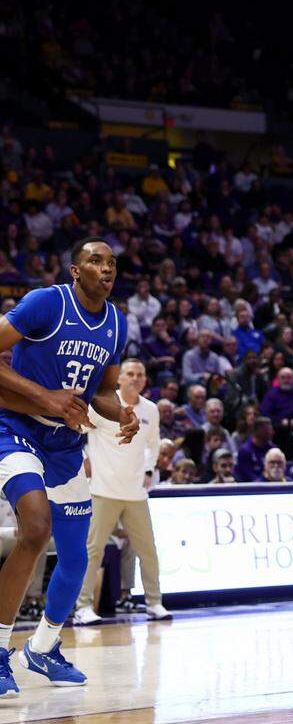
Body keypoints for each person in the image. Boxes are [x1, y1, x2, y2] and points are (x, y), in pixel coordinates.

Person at [0, 238, 140, 695]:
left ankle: (41, 649)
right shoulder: (47, 303)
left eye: (112, 263)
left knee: (77, 555)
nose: (106, 268)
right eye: (95, 261)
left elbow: (100, 391)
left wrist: (122, 411)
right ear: (75, 271)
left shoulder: (116, 323)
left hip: (64, 444)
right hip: (16, 426)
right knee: (36, 529)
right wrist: (48, 399)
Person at [73, 357, 170, 625]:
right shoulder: (102, 403)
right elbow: (79, 429)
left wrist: (149, 470)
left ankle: (154, 603)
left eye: (140, 374)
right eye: (129, 373)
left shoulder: (150, 410)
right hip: (102, 490)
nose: (135, 378)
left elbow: (153, 444)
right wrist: (84, 458)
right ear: (118, 378)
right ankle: (82, 607)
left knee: (147, 550)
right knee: (93, 550)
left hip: (136, 493)